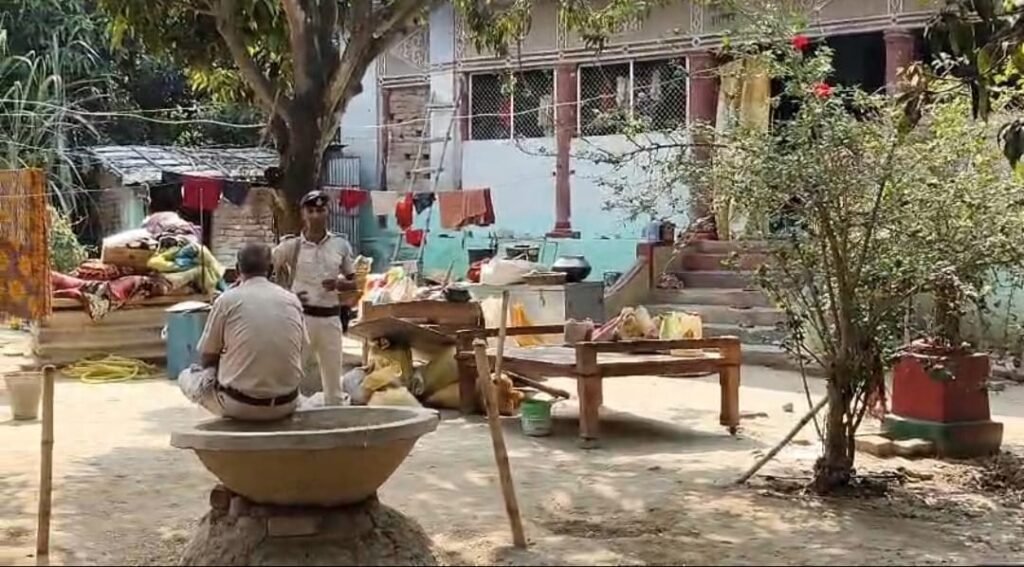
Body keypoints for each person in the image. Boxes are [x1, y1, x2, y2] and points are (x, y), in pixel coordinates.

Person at [178, 242, 307, 420]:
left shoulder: (227, 300)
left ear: (238, 269)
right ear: (271, 269)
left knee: (187, 376)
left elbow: (207, 356)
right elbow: (300, 349)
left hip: (239, 406)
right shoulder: (292, 300)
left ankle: (216, 424)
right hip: (287, 404)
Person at [272, 190, 357, 404]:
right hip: (302, 318)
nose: (316, 216)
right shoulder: (291, 246)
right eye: (311, 211)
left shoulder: (340, 245)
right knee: (292, 373)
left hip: (331, 319)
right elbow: (264, 269)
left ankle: (334, 417)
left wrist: (339, 284)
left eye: (321, 210)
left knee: (333, 379)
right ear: (303, 214)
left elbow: (355, 281)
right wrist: (286, 296)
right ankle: (288, 412)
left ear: (328, 212)